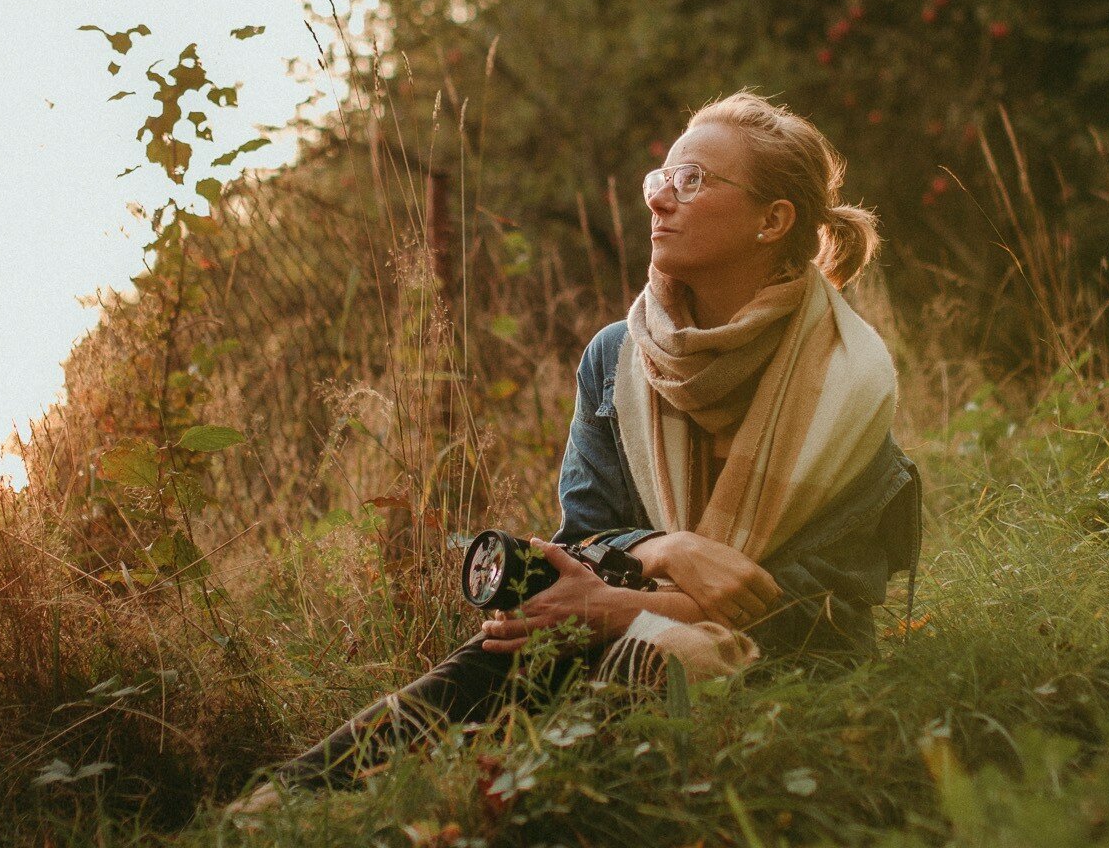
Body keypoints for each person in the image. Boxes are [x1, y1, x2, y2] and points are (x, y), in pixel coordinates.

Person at [226, 89, 921, 814]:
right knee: (516, 639)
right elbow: (584, 537)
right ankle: (284, 802)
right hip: (641, 609)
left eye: (692, 181)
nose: (659, 200)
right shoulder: (618, 357)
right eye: (661, 178)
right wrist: (664, 549)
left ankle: (550, 798)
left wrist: (620, 609)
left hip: (793, 652)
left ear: (772, 221)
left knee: (626, 651)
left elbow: (824, 605)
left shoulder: (849, 375)